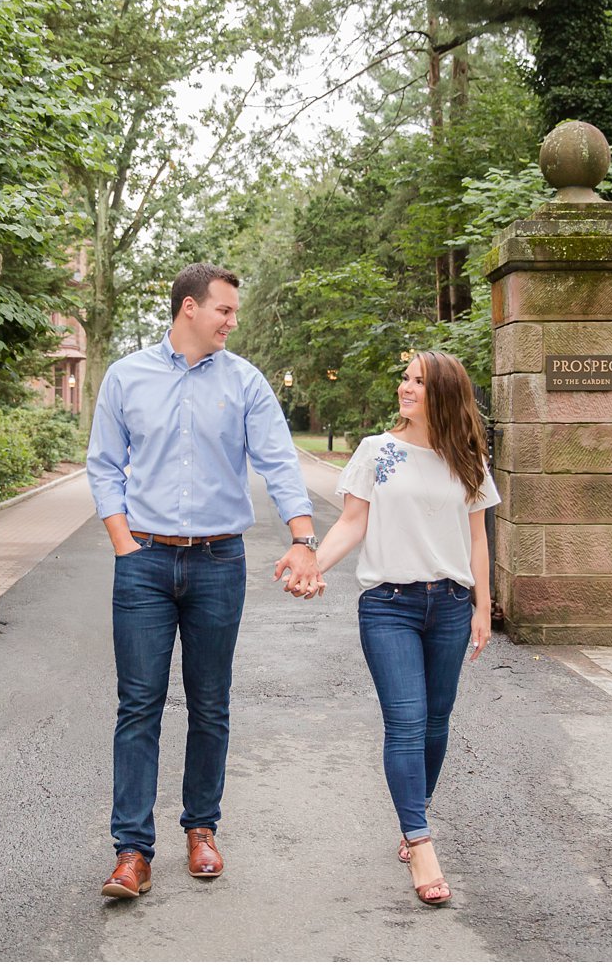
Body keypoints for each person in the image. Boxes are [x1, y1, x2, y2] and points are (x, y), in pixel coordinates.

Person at [86, 262, 323, 900]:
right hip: (145, 564)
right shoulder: (126, 377)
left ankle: (202, 829)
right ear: (189, 308)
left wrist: (303, 539)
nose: (231, 321)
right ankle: (132, 851)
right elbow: (104, 465)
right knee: (138, 705)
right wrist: (122, 542)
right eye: (224, 310)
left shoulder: (245, 383)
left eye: (233, 312)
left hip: (221, 562)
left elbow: (279, 461)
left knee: (210, 704)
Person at [313, 351, 498, 906]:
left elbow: (479, 539)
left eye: (417, 380)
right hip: (388, 604)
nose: (404, 387)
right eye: (405, 378)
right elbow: (352, 522)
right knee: (406, 721)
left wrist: (482, 608)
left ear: (441, 392)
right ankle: (421, 842)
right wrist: (312, 565)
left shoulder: (466, 457)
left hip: (449, 604)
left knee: (436, 723)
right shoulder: (377, 452)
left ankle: (411, 816)